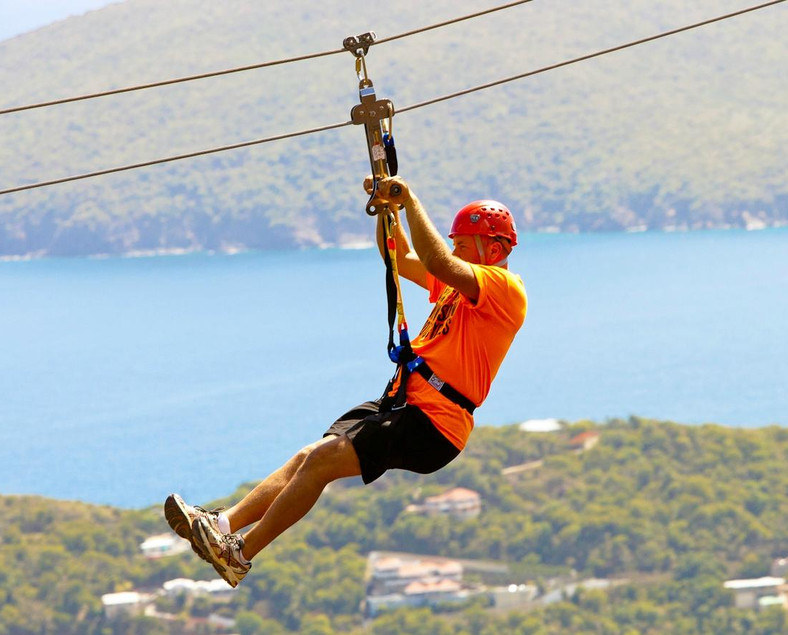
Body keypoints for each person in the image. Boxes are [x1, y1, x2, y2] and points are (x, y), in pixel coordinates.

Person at [165, 176, 527, 586]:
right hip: (405, 403)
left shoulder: (505, 289)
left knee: (321, 463)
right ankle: (222, 526)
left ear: (493, 249)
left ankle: (240, 555)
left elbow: (437, 260)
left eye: (462, 244)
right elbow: (399, 256)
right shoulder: (456, 288)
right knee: (310, 456)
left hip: (435, 424)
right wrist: (385, 209)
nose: (455, 252)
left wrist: (409, 200)